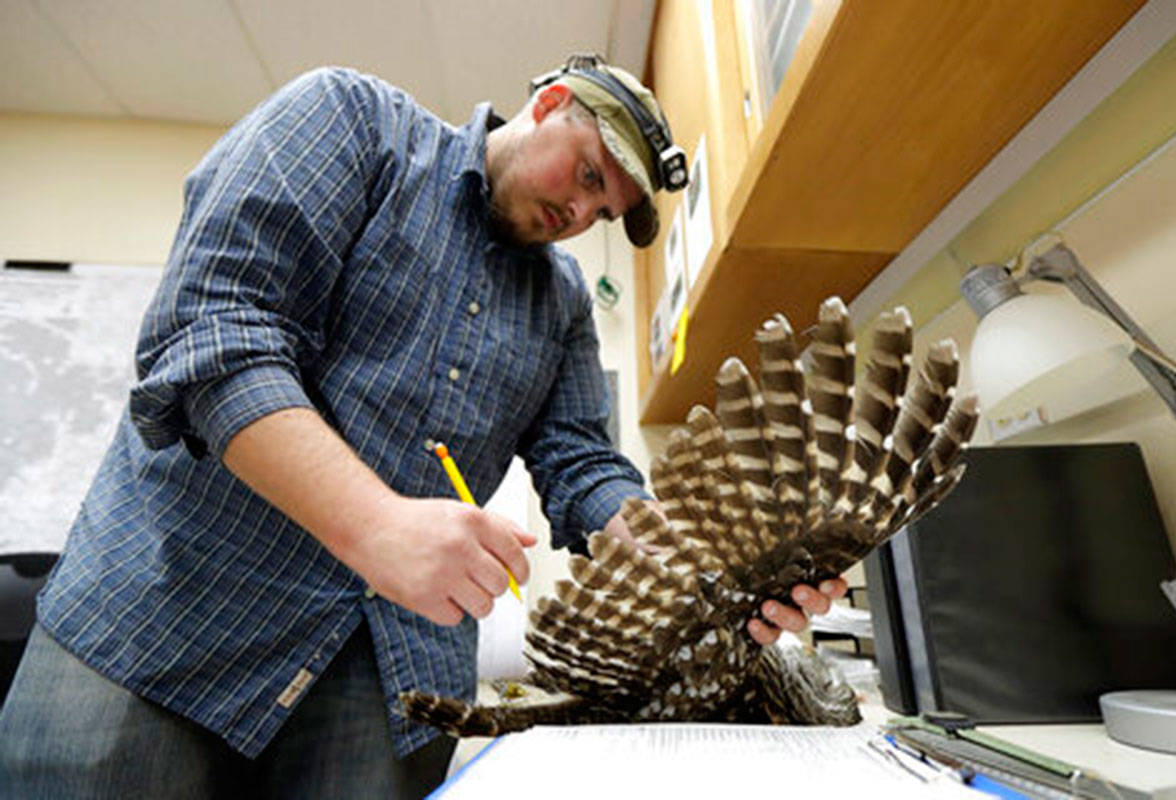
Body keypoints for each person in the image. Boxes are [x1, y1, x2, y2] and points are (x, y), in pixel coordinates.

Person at [0, 58, 846, 798]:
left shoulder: (561, 306)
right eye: (588, 175)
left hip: (384, 680)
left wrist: (692, 559)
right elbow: (215, 334)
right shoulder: (351, 125)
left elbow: (581, 463)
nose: (582, 213)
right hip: (168, 616)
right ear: (549, 103)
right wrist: (372, 524)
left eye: (605, 209)